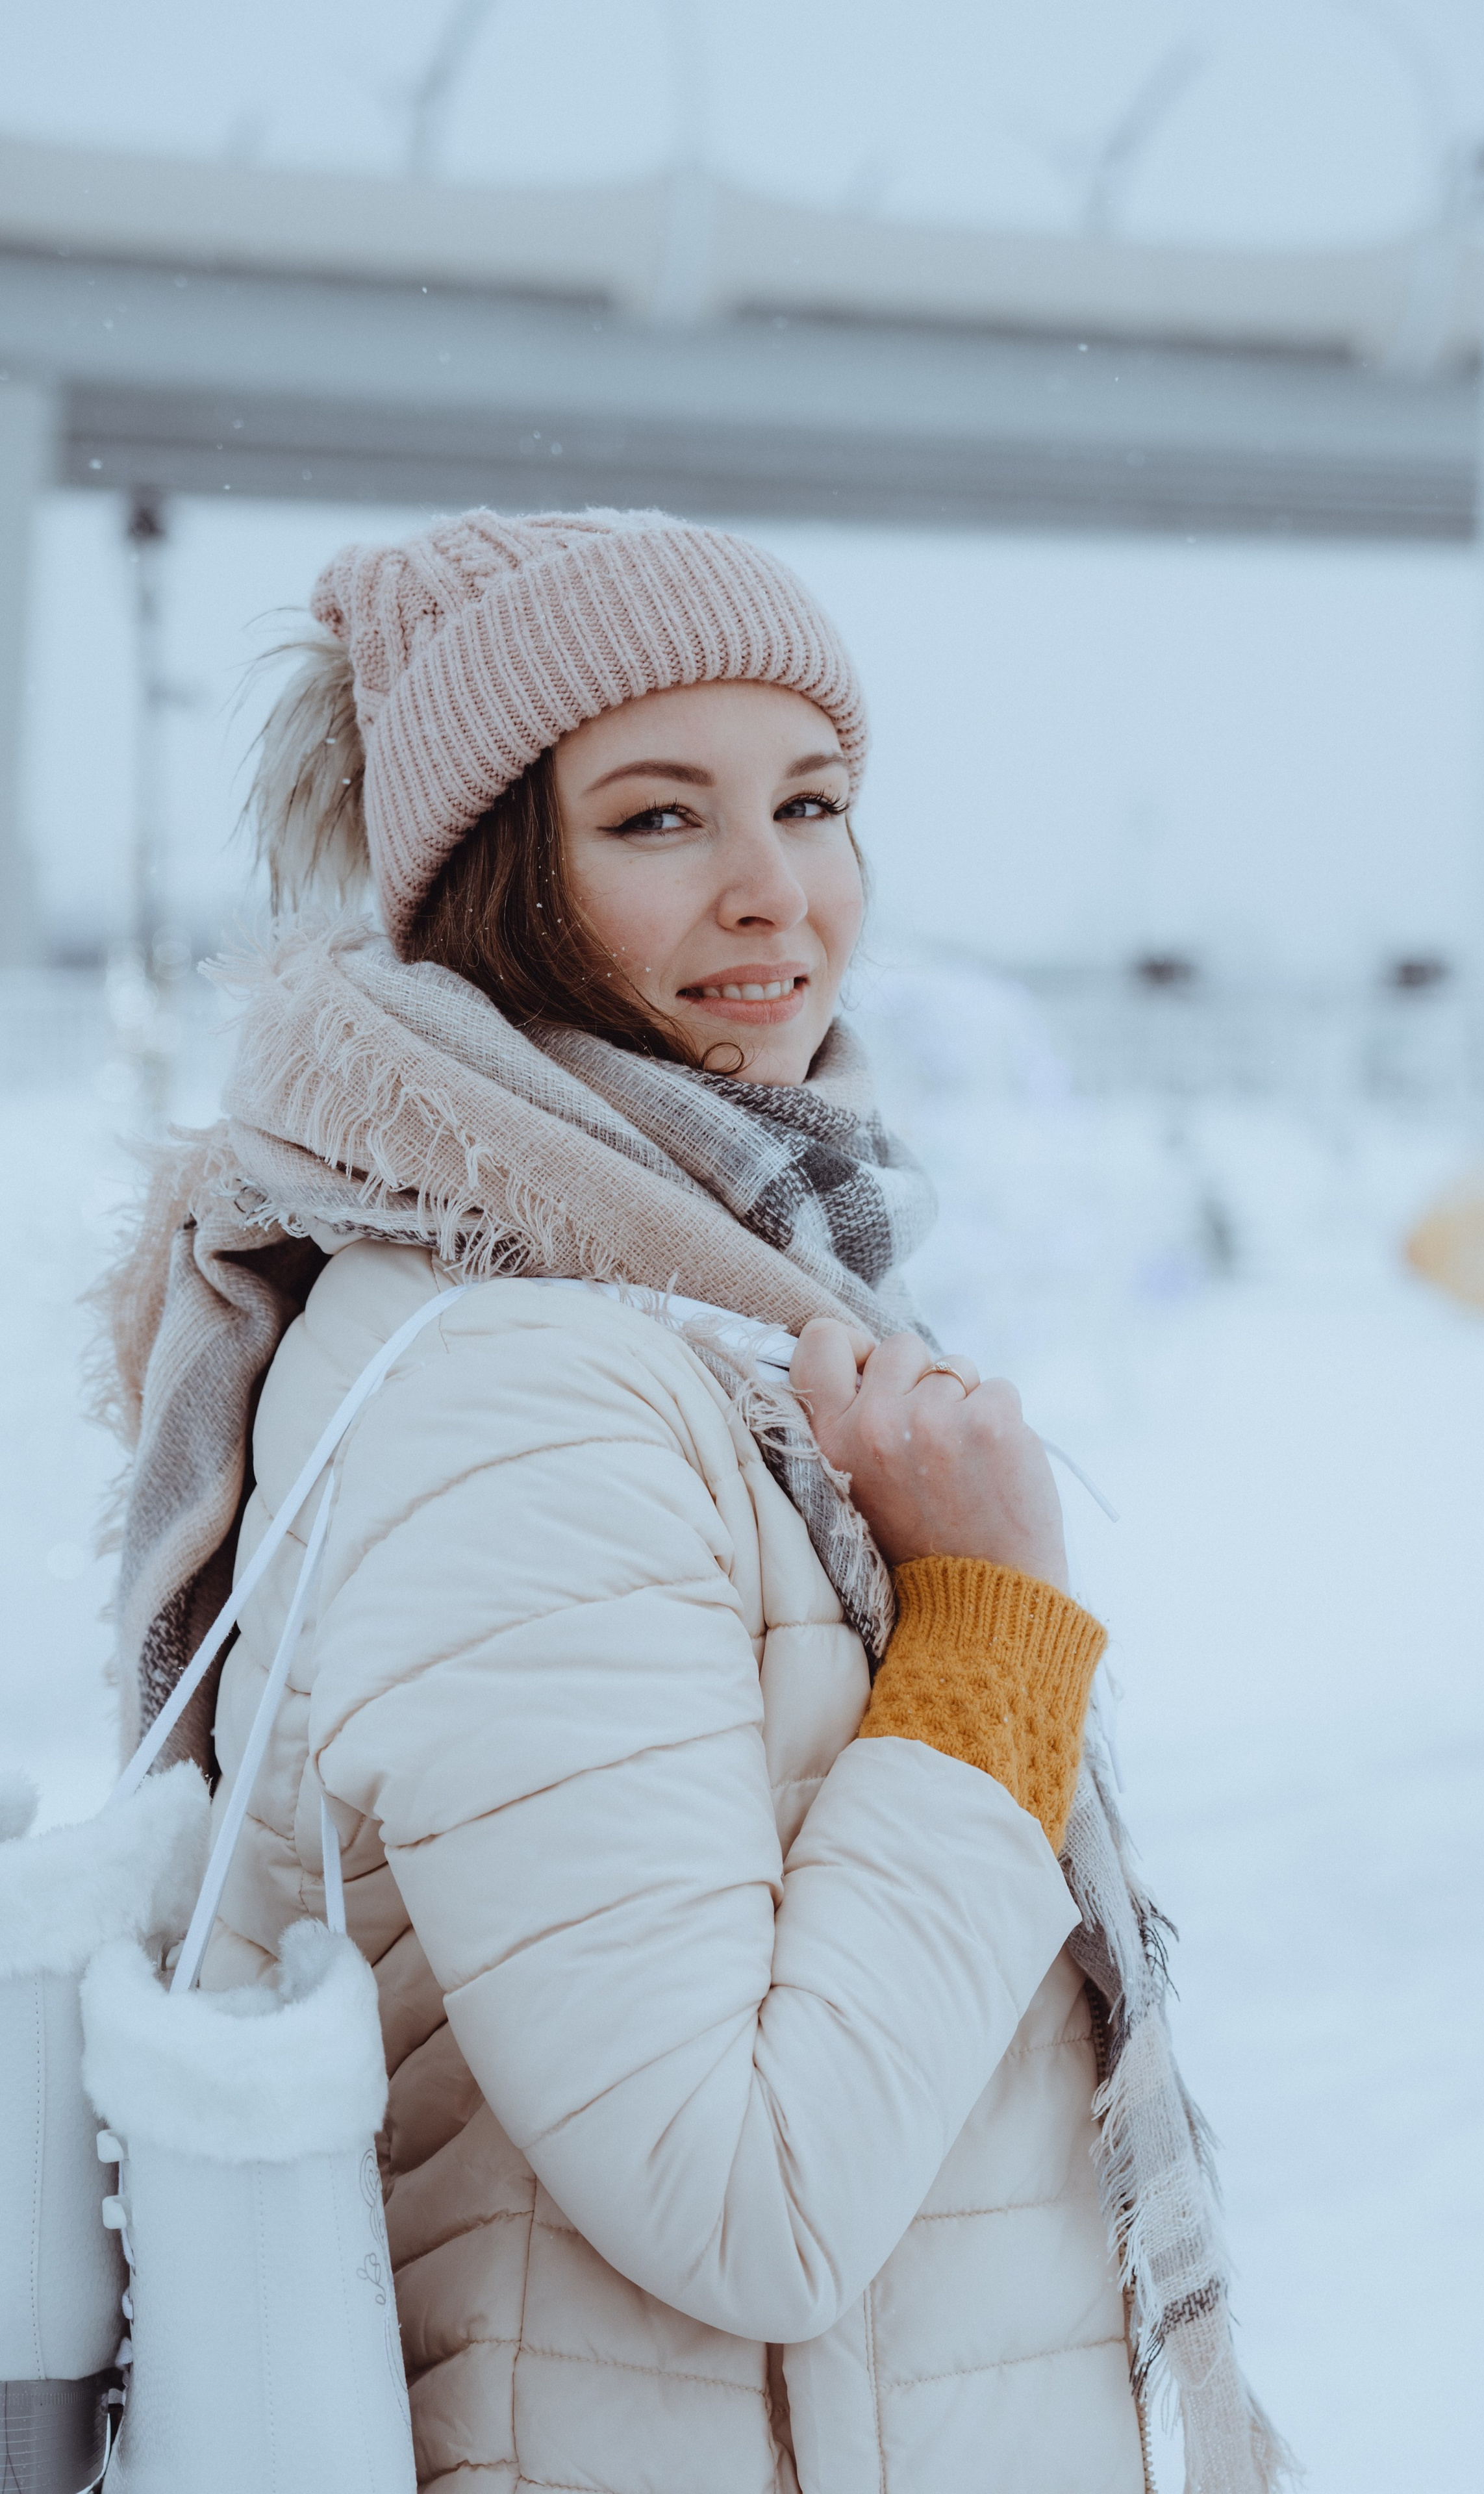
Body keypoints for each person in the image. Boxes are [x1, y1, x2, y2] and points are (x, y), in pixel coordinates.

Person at [103, 510, 1290, 2494]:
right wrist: (989, 1639)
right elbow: (743, 2189)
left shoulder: (665, 1298)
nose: (777, 895)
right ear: (500, 884)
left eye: (813, 803)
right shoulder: (525, 1389)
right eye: (659, 821)